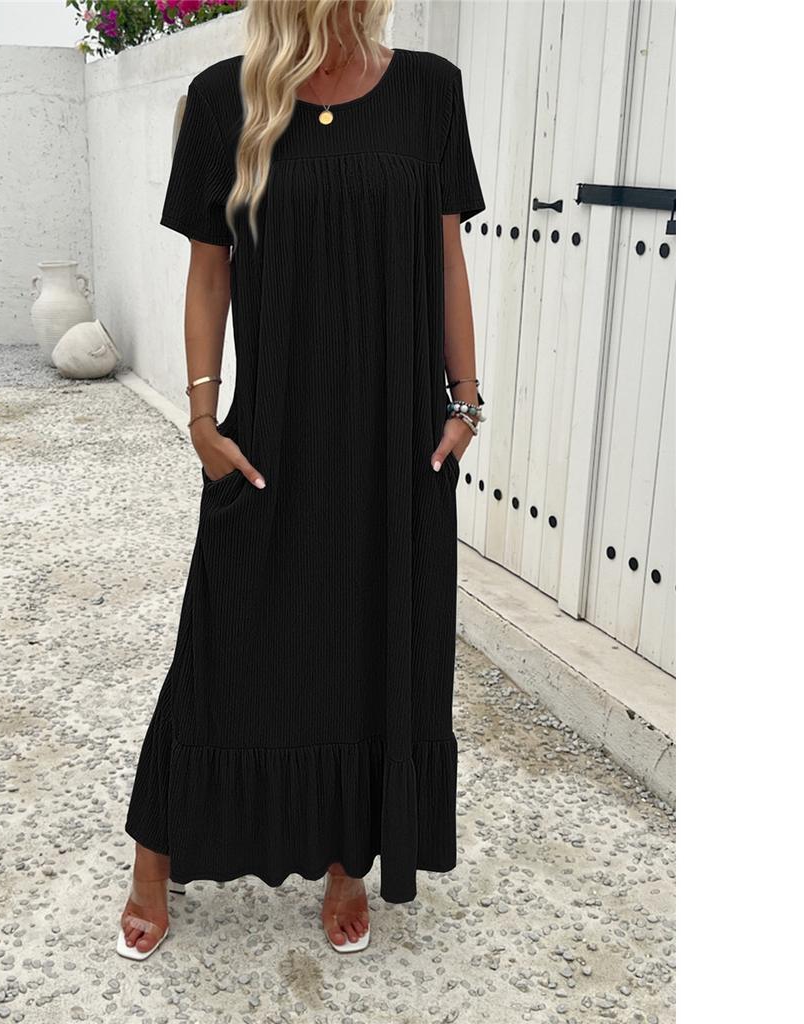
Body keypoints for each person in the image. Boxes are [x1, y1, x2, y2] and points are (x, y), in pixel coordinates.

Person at [119, 0, 486, 958]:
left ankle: (346, 859)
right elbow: (209, 274)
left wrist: (465, 401)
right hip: (273, 438)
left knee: (368, 649)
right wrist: (202, 419)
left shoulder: (429, 90)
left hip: (395, 441)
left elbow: (447, 256)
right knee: (225, 644)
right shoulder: (224, 100)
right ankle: (154, 856)